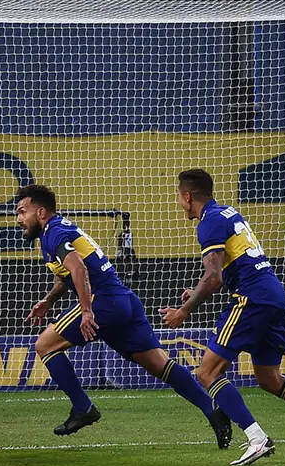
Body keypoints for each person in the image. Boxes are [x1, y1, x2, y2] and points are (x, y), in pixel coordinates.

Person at [160, 169, 285, 466]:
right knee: (269, 378)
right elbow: (231, 268)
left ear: (188, 196)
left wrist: (183, 311)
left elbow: (212, 277)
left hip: (251, 298)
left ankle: (257, 438)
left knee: (207, 373)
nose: (179, 203)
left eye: (179, 197)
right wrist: (199, 291)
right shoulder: (228, 214)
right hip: (272, 294)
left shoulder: (209, 222)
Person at [15, 184, 231, 447]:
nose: (19, 219)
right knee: (159, 364)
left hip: (103, 301)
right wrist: (49, 300)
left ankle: (83, 408)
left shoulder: (54, 232)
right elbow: (68, 275)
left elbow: (79, 269)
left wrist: (86, 311)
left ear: (40, 212)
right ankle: (213, 410)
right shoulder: (59, 230)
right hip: (123, 301)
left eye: (22, 212)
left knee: (45, 345)